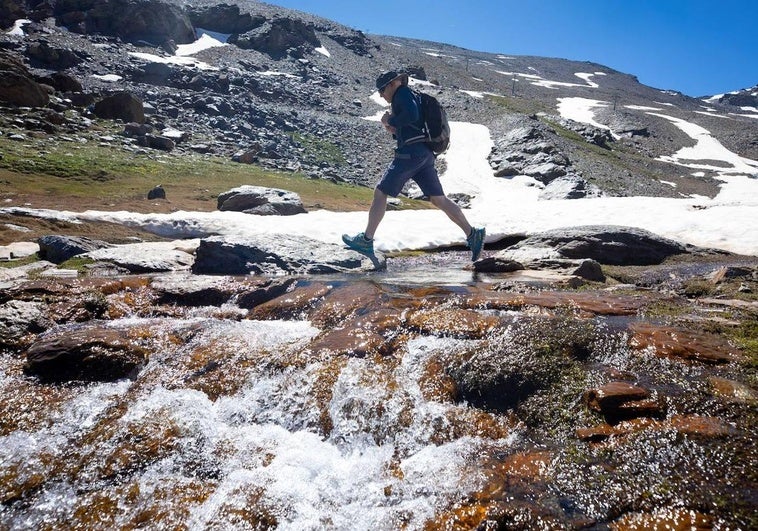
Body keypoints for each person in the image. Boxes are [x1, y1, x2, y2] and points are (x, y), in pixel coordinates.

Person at [342, 70, 486, 261]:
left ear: (393, 83)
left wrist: (389, 120)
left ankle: (366, 240)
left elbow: (410, 115)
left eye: (382, 90)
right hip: (425, 154)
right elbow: (412, 121)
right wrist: (393, 127)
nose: (381, 95)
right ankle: (472, 234)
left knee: (380, 192)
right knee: (439, 199)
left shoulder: (401, 94)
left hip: (410, 154)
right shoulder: (413, 96)